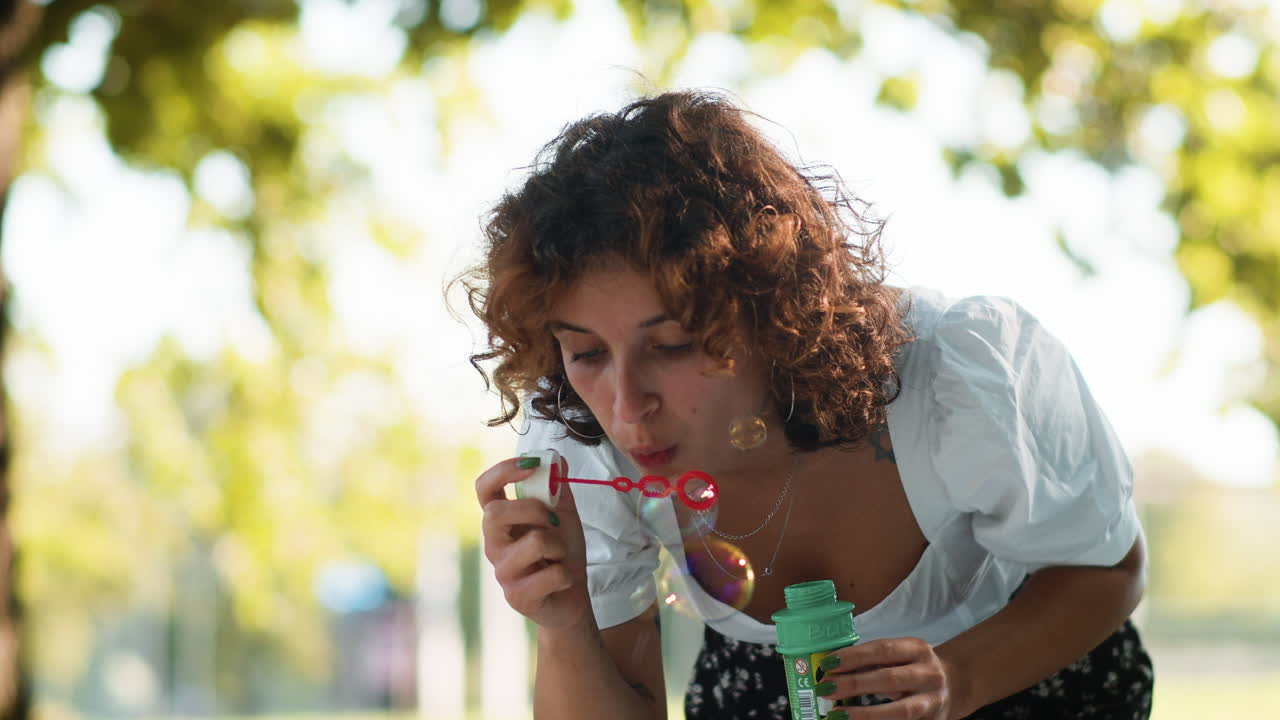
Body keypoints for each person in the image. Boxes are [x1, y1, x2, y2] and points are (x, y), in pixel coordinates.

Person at [464, 89, 1153, 720]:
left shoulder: (960, 379)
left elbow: (1107, 567)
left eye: (671, 343)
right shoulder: (578, 448)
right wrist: (563, 625)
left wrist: (957, 678)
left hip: (1027, 678)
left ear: (769, 312)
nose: (626, 406)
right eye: (585, 353)